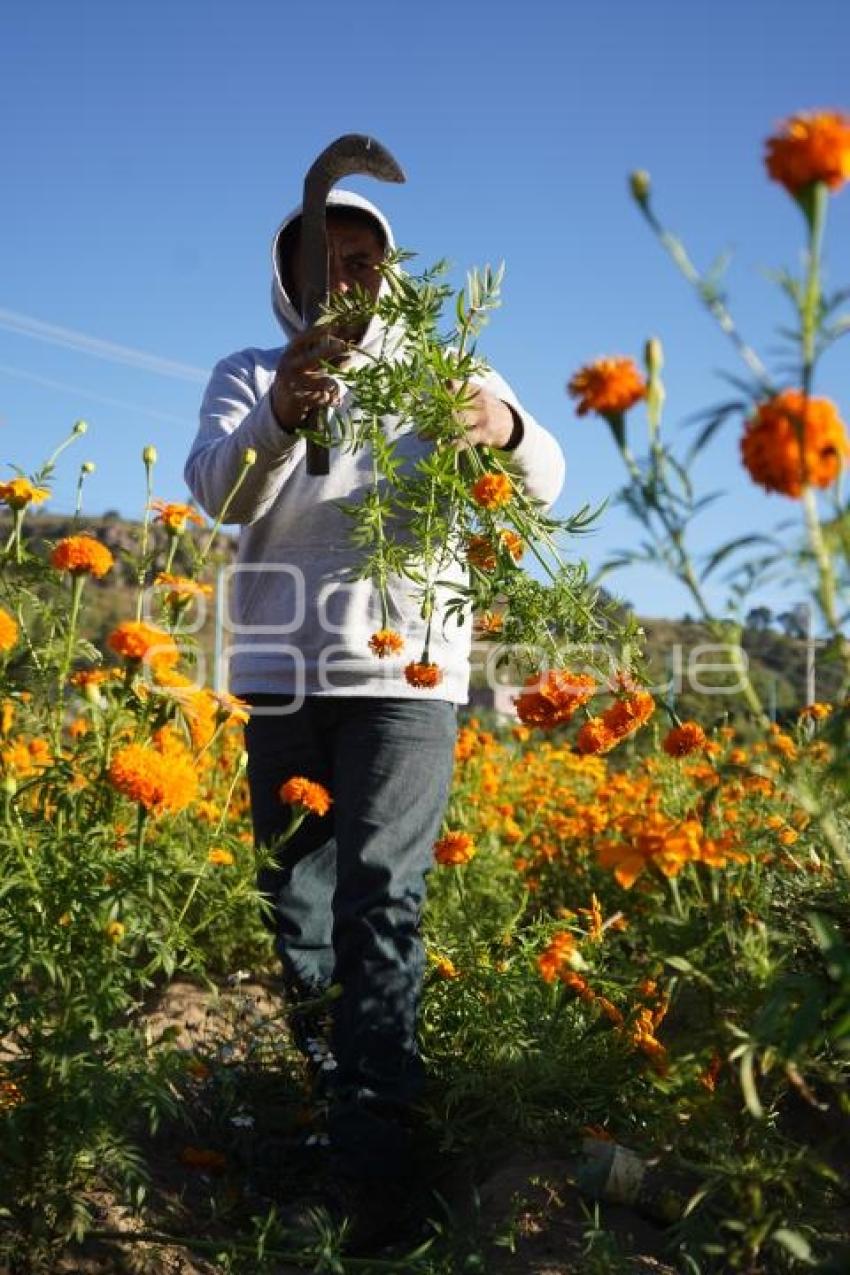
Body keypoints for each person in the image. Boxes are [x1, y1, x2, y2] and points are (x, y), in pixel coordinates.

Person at [184, 189, 565, 1244]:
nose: (345, 276)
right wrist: (284, 415)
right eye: (323, 261)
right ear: (289, 280)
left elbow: (545, 478)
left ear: (388, 272)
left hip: (406, 686)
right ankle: (337, 1103)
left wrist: (505, 426)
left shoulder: (449, 377)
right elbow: (219, 493)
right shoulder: (248, 376)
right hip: (280, 680)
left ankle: (374, 1154)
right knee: (296, 909)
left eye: (363, 257)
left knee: (381, 901)